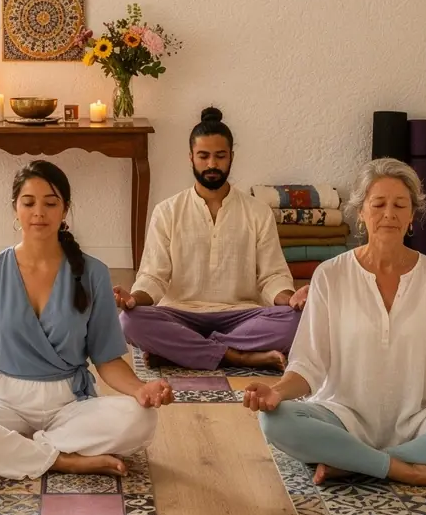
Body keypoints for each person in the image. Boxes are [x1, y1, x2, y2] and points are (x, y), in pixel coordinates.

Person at [245, 158, 426, 493]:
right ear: (361, 214)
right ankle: (411, 469)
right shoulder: (330, 275)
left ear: (412, 216)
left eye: (400, 205)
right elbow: (308, 365)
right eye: (378, 204)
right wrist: (277, 392)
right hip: (342, 417)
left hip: (423, 421)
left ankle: (355, 462)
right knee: (275, 420)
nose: (389, 214)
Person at [0, 160, 172, 480]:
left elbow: (107, 359)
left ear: (65, 209)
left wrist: (141, 389)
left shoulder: (93, 272)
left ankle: (8, 452)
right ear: (15, 209)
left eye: (50, 203)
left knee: (142, 419)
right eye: (28, 203)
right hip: (3, 400)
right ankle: (61, 459)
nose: (39, 212)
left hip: (70, 403)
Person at [117, 107, 308, 372]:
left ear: (231, 157)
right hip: (181, 315)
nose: (212, 164)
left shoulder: (257, 212)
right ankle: (236, 356)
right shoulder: (167, 211)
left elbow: (271, 276)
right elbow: (154, 277)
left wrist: (291, 299)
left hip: (241, 316)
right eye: (203, 156)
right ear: (190, 157)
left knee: (297, 320)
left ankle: (183, 351)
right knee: (129, 321)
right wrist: (133, 300)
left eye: (220, 156)